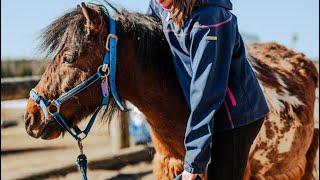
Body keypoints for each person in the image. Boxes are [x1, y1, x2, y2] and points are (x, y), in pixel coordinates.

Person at [146, 0, 270, 179]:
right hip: (206, 112)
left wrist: (194, 163)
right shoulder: (161, 5)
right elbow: (148, 25)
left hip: (234, 118)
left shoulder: (209, 19)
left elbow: (206, 93)